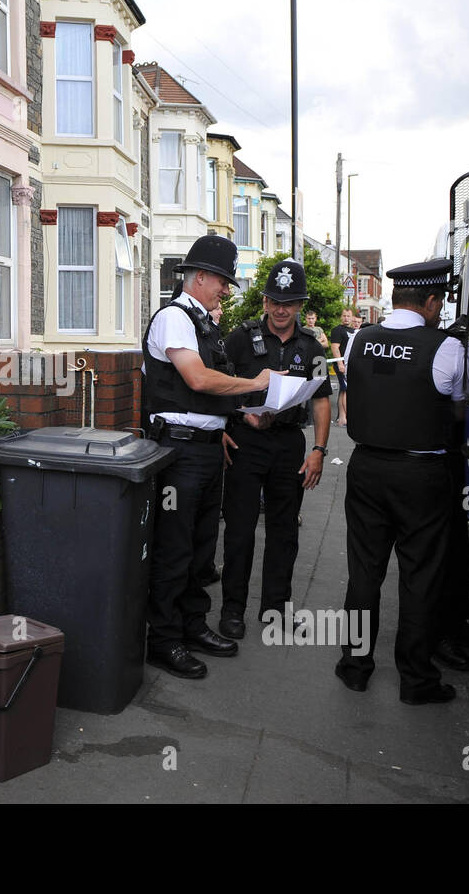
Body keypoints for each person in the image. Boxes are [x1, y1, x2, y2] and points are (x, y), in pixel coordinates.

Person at [142, 236, 275, 679]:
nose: (226, 289)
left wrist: (228, 422)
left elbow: (207, 396)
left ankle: (192, 625)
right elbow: (198, 380)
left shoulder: (203, 323)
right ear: (199, 277)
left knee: (201, 550)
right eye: (222, 281)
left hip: (203, 448)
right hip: (178, 452)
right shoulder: (174, 319)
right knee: (174, 549)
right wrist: (256, 384)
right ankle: (163, 640)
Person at [334, 259, 465, 705]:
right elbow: (459, 402)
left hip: (366, 467)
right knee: (420, 575)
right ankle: (416, 680)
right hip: (421, 473)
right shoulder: (445, 347)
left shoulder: (359, 340)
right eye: (440, 302)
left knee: (364, 571)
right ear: (431, 302)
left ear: (394, 298)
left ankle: (355, 667)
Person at [217, 260, 332, 640]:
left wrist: (318, 449)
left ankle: (276, 609)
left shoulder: (312, 347)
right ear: (265, 301)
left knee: (284, 531)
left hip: (288, 445)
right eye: (276, 301)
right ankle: (233, 610)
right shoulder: (239, 338)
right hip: (245, 443)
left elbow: (320, 402)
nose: (282, 309)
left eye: (291, 302)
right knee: (239, 529)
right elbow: (216, 385)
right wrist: (228, 423)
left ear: (300, 305)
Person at [329, 310, 356, 426]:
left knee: (343, 390)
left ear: (352, 317)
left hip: (351, 364)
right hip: (342, 365)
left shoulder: (354, 331)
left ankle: (342, 417)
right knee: (346, 390)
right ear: (341, 317)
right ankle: (345, 417)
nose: (346, 318)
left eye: (348, 316)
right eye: (344, 316)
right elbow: (335, 348)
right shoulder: (337, 330)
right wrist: (340, 364)